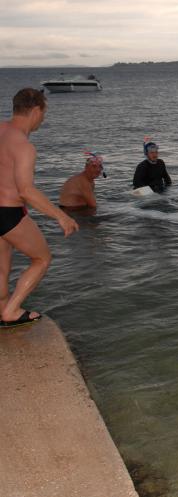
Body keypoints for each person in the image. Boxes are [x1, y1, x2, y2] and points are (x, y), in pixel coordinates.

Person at [0, 88, 79, 328]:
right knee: (41, 258)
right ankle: (11, 311)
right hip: (8, 213)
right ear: (35, 110)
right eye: (44, 113)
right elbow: (26, 190)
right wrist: (61, 216)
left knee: (2, 265)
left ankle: (2, 307)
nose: (43, 119)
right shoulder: (24, 146)